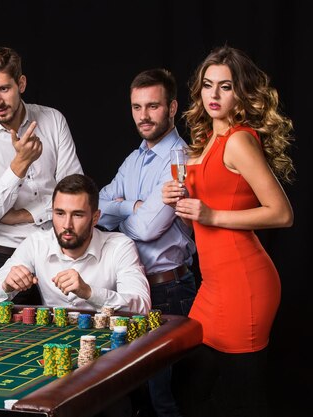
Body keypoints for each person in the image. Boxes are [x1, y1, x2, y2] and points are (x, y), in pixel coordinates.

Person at [162, 46, 294, 417]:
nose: (214, 95)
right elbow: (198, 224)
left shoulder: (239, 140)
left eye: (225, 86)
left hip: (245, 284)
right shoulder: (204, 144)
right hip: (214, 285)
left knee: (243, 398)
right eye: (208, 85)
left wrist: (211, 214)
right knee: (192, 390)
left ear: (241, 94)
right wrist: (181, 205)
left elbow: (282, 214)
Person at [97, 69, 198, 417]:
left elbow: (147, 228)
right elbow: (98, 207)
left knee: (164, 397)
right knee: (132, 392)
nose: (143, 115)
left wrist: (124, 213)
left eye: (152, 106)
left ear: (171, 108)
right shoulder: (134, 158)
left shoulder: (181, 159)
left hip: (168, 289)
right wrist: (130, 205)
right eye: (136, 107)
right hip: (132, 288)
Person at [0, 46, 83, 304]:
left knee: (63, 337)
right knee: (0, 343)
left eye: (4, 89)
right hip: (1, 257)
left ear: (21, 83)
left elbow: (76, 193)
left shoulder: (54, 120)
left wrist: (24, 215)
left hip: (54, 253)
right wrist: (19, 165)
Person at [0, 174, 151, 314]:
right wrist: (5, 286)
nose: (67, 225)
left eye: (77, 215)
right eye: (60, 213)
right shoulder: (36, 243)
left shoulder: (120, 246)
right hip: (51, 344)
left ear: (95, 218)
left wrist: (89, 292)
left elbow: (141, 306)